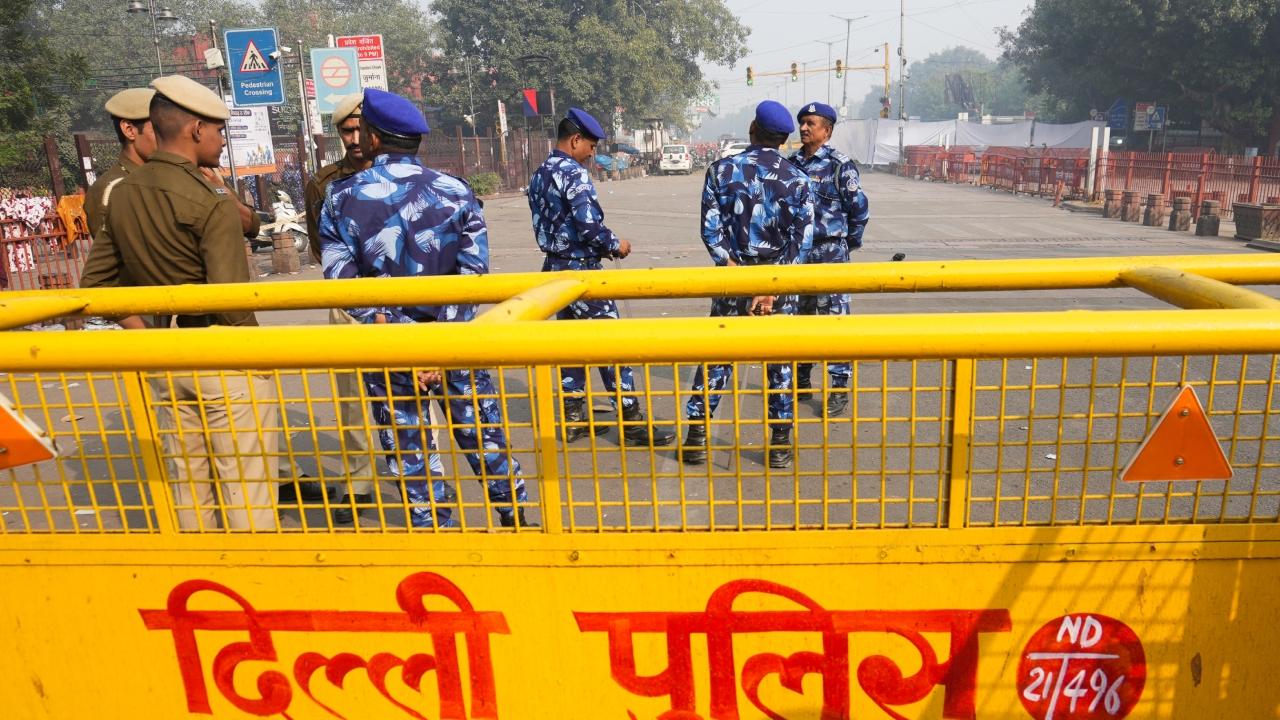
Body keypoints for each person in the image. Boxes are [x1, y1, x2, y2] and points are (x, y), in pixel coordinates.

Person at [318, 88, 534, 529]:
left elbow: (343, 285)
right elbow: (473, 275)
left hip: (390, 349)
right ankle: (517, 523)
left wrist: (406, 341)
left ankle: (438, 534)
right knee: (484, 438)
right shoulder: (455, 191)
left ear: (374, 138)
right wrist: (440, 344)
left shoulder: (339, 199)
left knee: (410, 450)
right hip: (457, 347)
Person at [79, 75, 279, 531]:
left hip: (166, 353)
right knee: (246, 482)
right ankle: (254, 583)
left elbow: (96, 284)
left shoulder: (121, 193)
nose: (222, 140)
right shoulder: (211, 200)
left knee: (188, 482)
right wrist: (261, 358)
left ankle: (195, 581)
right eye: (218, 131)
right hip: (221, 354)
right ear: (195, 130)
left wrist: (150, 338)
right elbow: (229, 299)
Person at [526, 107, 675, 447]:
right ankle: (632, 421)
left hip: (553, 270)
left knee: (571, 346)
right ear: (575, 140)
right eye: (591, 147)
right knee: (611, 345)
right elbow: (589, 226)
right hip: (581, 271)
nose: (593, 154)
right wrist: (615, 245)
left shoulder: (539, 173)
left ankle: (574, 417)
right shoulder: (574, 174)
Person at [680, 100, 814, 469]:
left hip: (731, 281)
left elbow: (711, 231)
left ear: (752, 129)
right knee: (780, 365)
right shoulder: (797, 180)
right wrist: (771, 286)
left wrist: (737, 274)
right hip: (778, 284)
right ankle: (780, 445)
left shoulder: (722, 171)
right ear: (784, 138)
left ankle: (696, 438)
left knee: (716, 359)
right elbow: (801, 244)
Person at [301, 93, 379, 524]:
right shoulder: (324, 183)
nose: (354, 138)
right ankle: (358, 482)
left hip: (400, 300)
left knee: (412, 395)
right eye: (346, 131)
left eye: (360, 129)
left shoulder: (400, 175)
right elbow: (319, 248)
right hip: (347, 300)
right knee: (351, 400)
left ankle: (422, 477)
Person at [788, 102, 870, 417]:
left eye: (811, 123)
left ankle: (838, 387)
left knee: (834, 321)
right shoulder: (791, 163)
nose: (804, 128)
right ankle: (803, 378)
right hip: (798, 253)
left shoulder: (840, 165)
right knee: (800, 317)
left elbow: (859, 209)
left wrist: (847, 243)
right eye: (802, 123)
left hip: (830, 250)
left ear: (827, 130)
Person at [84, 88, 156, 240]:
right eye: (158, 130)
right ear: (129, 130)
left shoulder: (165, 175)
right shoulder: (109, 190)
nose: (169, 138)